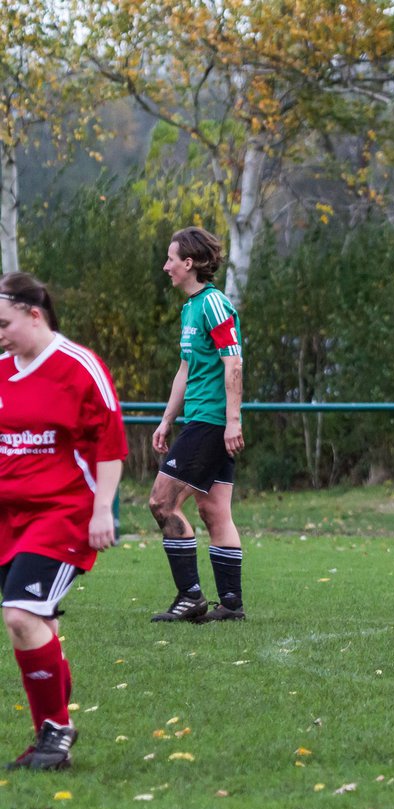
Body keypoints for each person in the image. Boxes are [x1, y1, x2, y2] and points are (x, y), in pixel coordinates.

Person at [0, 272, 127, 770]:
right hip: (10, 519)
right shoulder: (2, 370)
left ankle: (55, 732)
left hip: (64, 512)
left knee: (21, 615)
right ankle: (50, 733)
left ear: (36, 315)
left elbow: (110, 442)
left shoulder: (79, 367)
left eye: (4, 323)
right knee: (33, 624)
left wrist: (102, 510)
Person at [148, 227, 246, 623]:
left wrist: (232, 420)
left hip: (211, 423)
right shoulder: (190, 309)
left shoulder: (214, 304)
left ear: (189, 264)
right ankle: (231, 605)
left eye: (171, 259)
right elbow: (186, 369)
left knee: (161, 501)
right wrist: (167, 419)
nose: (166, 266)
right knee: (214, 510)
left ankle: (190, 596)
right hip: (198, 420)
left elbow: (233, 362)